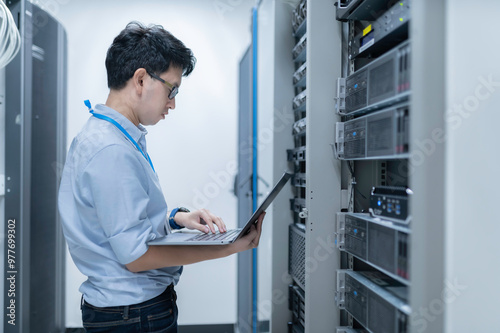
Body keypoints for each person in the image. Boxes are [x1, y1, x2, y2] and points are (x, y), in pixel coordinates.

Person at [58, 21, 265, 333]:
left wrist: (176, 218)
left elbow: (117, 222)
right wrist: (229, 247)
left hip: (128, 312)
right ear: (141, 79)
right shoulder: (111, 149)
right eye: (172, 88)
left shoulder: (110, 135)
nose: (173, 102)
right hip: (133, 316)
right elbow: (137, 256)